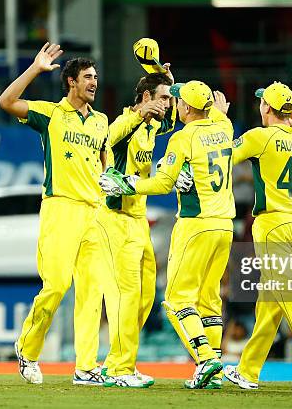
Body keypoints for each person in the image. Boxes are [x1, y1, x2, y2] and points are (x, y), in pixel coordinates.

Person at [100, 81, 235, 389]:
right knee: (209, 298)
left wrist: (128, 184)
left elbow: (162, 184)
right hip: (225, 225)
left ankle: (206, 360)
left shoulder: (182, 137)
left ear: (186, 107)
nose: (174, 106)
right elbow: (219, 121)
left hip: (195, 224)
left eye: (177, 101)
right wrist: (219, 114)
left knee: (175, 300)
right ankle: (212, 365)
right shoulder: (225, 127)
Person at [0, 43, 110, 385]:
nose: (94, 82)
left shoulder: (101, 121)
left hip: (94, 212)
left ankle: (85, 366)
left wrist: (109, 188)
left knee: (92, 291)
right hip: (61, 208)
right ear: (71, 82)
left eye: (95, 76)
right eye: (87, 77)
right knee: (57, 285)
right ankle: (28, 349)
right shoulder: (50, 114)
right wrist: (34, 69)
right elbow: (6, 102)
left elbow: (103, 163)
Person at [222, 82, 292, 391]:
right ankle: (248, 370)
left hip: (272, 224)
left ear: (267, 108)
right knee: (270, 299)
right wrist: (285, 117)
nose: (260, 106)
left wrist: (219, 119)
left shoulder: (260, 137)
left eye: (262, 103)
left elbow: (223, 155)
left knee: (285, 292)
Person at [98, 70, 177, 388]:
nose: (168, 105)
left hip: (139, 222)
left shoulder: (153, 124)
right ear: (146, 98)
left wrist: (170, 80)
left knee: (145, 298)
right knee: (128, 295)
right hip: (116, 221)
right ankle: (120, 370)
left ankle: (114, 362)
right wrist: (137, 114)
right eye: (163, 98)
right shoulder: (127, 123)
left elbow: (176, 118)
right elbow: (105, 139)